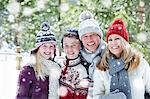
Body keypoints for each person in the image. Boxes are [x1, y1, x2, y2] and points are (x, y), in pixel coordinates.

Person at [93, 18, 150, 99]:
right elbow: (96, 96)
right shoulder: (102, 67)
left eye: (117, 38)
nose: (113, 43)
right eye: (110, 40)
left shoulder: (139, 63)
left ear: (124, 41)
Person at [16, 22, 61, 99]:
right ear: (38, 48)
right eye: (44, 46)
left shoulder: (56, 68)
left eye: (51, 46)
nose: (48, 50)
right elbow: (21, 96)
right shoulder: (28, 70)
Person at [78, 10, 106, 98]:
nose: (89, 39)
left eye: (93, 34)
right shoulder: (77, 55)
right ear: (81, 40)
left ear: (99, 36)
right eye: (85, 36)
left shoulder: (109, 52)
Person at [59, 28, 90, 99]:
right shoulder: (59, 64)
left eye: (73, 45)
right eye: (66, 45)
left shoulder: (82, 72)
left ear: (80, 46)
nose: (69, 49)